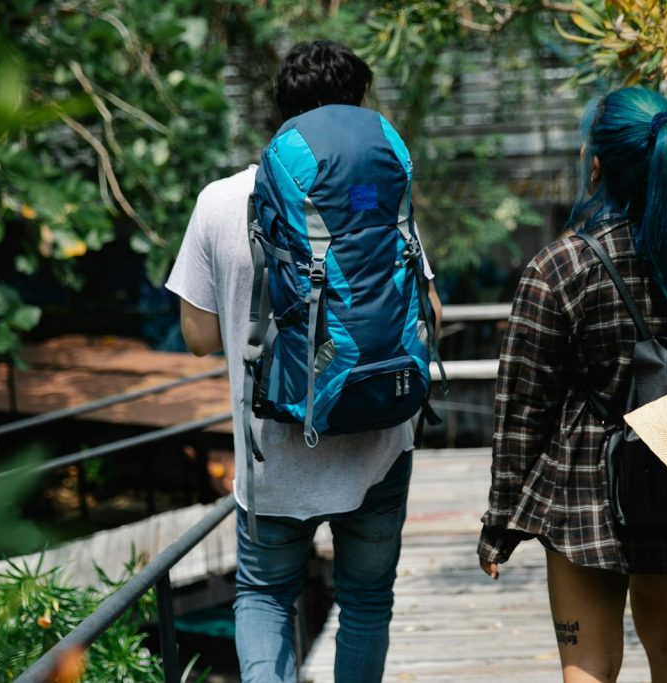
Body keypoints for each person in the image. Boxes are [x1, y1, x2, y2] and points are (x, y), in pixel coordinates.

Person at [166, 40, 440, 683]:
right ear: (359, 106)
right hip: (377, 442)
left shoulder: (218, 201)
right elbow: (430, 313)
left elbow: (199, 336)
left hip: (273, 453)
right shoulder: (380, 197)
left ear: (281, 112)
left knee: (264, 597)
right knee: (366, 602)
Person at [477, 87, 667, 683]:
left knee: (589, 665)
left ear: (599, 167)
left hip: (585, 490)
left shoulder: (561, 268)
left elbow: (520, 413)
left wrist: (501, 524)